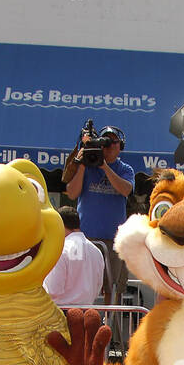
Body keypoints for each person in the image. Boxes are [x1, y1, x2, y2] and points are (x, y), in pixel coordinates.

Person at [64, 123, 134, 303]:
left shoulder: (125, 169)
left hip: (113, 241)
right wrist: (81, 164)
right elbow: (72, 193)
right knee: (79, 285)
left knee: (113, 289)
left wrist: (104, 167)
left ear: (120, 147)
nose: (109, 146)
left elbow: (125, 190)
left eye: (113, 142)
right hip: (86, 240)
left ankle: (110, 327)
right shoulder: (86, 167)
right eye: (105, 143)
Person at [44, 206, 105, 306]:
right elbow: (98, 287)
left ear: (59, 224)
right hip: (88, 312)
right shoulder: (96, 251)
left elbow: (53, 290)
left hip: (63, 313)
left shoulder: (61, 249)